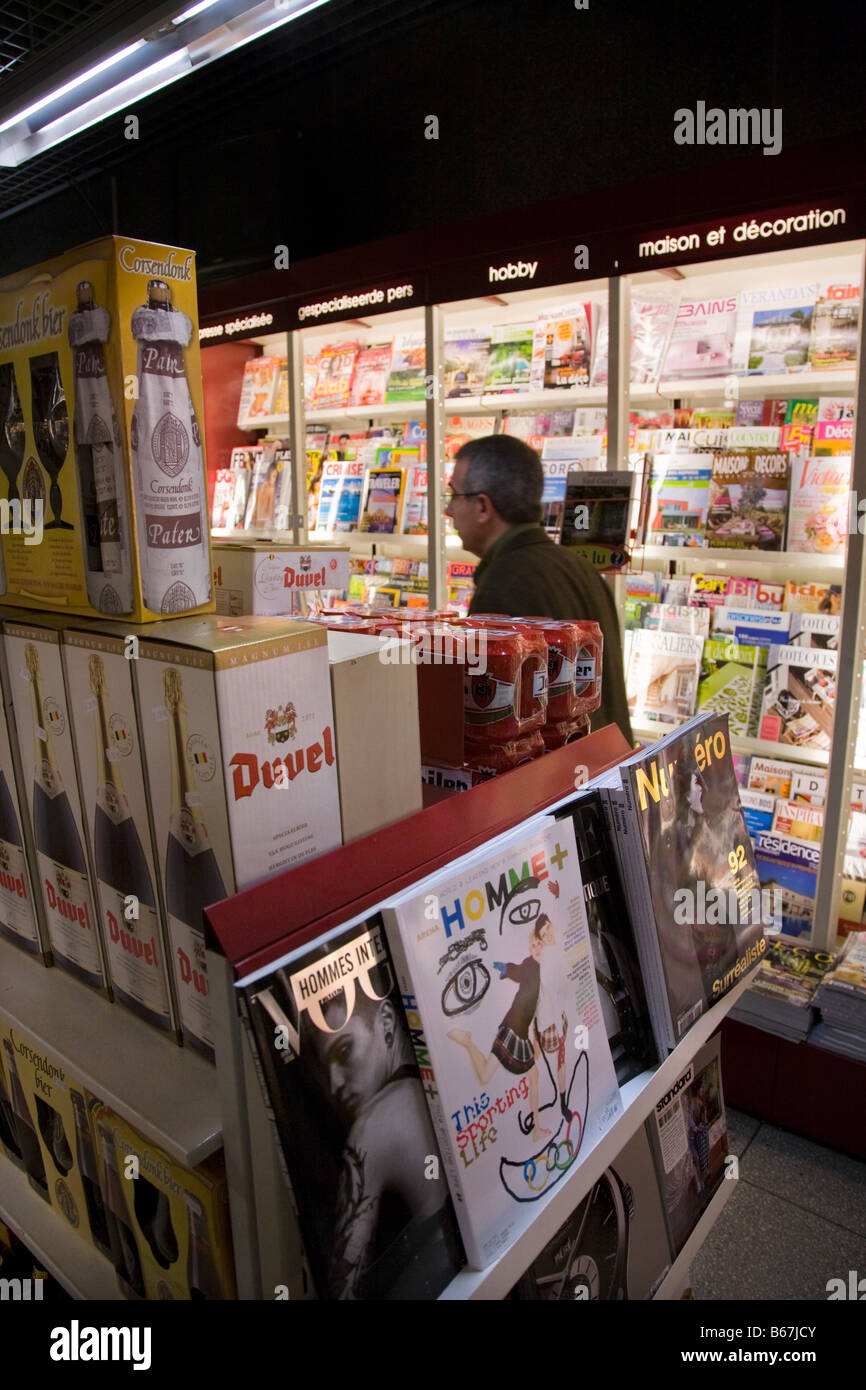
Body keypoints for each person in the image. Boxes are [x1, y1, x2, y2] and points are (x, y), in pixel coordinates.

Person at [446, 434, 632, 741]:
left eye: (454, 495)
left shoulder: (503, 585)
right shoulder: (581, 568)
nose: (449, 511)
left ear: (482, 506)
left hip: (557, 785)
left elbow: (495, 729)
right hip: (604, 771)